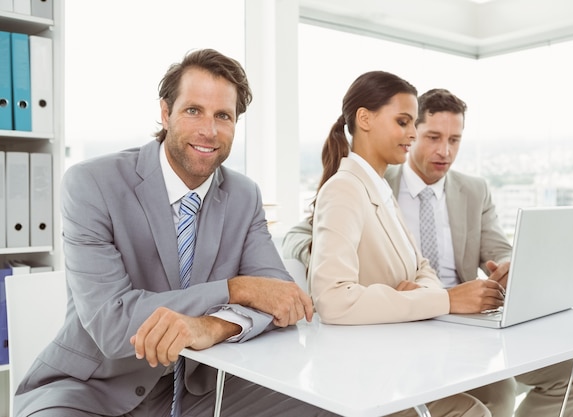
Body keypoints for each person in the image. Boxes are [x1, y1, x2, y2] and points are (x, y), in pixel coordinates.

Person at [13, 48, 340, 417]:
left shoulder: (243, 195)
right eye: (193, 110)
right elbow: (113, 324)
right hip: (93, 390)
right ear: (165, 113)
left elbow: (279, 300)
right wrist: (237, 289)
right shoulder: (91, 184)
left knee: (328, 405)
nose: (209, 130)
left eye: (223, 116)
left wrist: (210, 327)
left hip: (201, 387)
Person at [282, 88, 573, 417]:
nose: (445, 151)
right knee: (499, 392)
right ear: (412, 133)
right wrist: (337, 260)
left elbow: (499, 249)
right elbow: (300, 236)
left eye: (455, 140)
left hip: (467, 321)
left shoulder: (474, 191)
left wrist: (509, 267)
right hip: (405, 319)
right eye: (433, 137)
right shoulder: (372, 181)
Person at [305, 70, 509, 417]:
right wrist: (442, 299)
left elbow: (422, 267)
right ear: (364, 119)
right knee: (474, 412)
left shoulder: (380, 188)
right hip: (369, 371)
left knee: (491, 398)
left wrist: (420, 294)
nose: (412, 134)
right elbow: (332, 299)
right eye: (403, 122)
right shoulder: (345, 189)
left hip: (400, 352)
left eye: (413, 123)